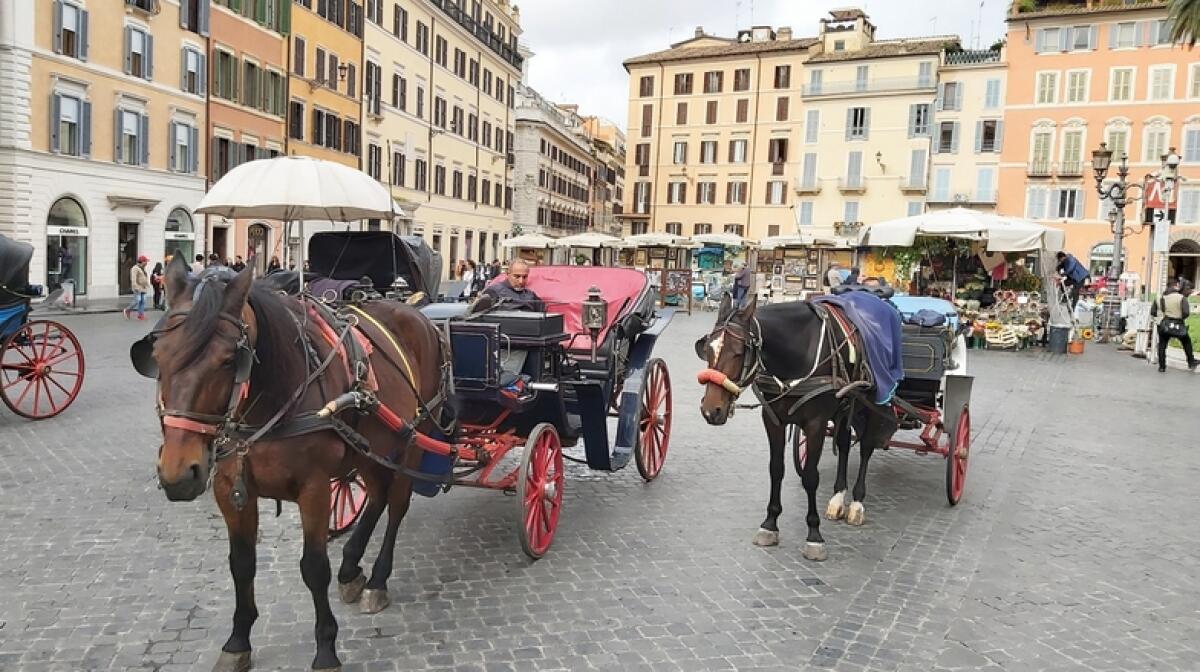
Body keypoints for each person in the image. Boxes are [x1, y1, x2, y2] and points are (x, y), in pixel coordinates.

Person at [1152, 280, 1196, 372]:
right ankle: (1191, 362)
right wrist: (1180, 317)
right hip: (1178, 323)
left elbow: (1155, 312)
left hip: (1165, 323)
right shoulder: (1181, 298)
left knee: (1162, 345)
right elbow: (1186, 312)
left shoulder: (1161, 298)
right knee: (1186, 341)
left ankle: (1162, 366)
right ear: (1176, 286)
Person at [478, 259, 544, 311]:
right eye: (517, 276)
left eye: (525, 277)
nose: (521, 281)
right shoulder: (493, 291)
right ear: (508, 274)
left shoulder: (531, 295)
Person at [124, 255, 151, 321]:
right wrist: (135, 287)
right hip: (138, 288)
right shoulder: (135, 268)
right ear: (142, 262)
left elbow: (144, 278)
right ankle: (127, 310)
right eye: (146, 261)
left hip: (143, 288)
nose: (147, 263)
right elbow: (133, 279)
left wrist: (147, 285)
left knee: (142, 302)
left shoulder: (142, 268)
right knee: (137, 301)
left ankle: (140, 315)